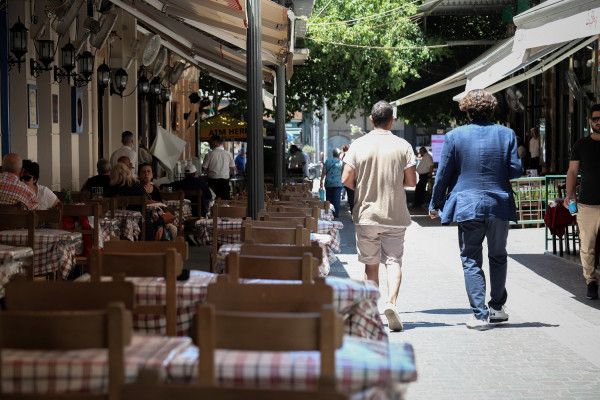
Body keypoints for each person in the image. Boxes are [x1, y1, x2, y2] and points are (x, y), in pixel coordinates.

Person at [429, 89, 522, 331]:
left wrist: (435, 203)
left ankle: (480, 315)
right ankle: (497, 308)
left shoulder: (454, 136)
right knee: (498, 256)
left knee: (471, 258)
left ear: (467, 111)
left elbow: (444, 174)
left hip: (468, 204)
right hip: (499, 204)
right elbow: (515, 171)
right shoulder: (507, 134)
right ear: (492, 109)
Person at [342, 100, 416, 331]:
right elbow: (412, 182)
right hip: (395, 214)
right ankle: (391, 302)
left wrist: (363, 186)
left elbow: (345, 180)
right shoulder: (403, 145)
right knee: (393, 261)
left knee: (370, 265)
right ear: (392, 120)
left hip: (367, 214)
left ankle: (373, 312)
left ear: (371, 119)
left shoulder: (357, 145)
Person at [565, 103, 600, 300]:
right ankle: (591, 281)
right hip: (587, 204)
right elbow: (572, 172)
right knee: (586, 245)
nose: (599, 122)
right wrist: (570, 195)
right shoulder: (581, 145)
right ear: (590, 121)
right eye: (596, 119)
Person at [202, 135, 235, 200]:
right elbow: (232, 167)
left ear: (214, 143)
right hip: (224, 181)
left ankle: (214, 210)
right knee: (225, 200)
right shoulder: (228, 154)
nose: (210, 143)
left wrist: (211, 168)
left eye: (210, 142)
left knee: (213, 199)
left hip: (213, 181)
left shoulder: (209, 154)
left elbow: (204, 169)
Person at [320, 148, 344, 217]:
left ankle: (329, 213)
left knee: (329, 199)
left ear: (333, 154)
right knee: (337, 199)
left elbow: (323, 172)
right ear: (339, 154)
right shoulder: (341, 162)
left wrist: (321, 181)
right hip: (338, 183)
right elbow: (343, 173)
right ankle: (335, 214)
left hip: (329, 183)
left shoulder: (328, 161)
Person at [340, 144, 355, 214]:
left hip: (349, 178)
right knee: (354, 197)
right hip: (355, 178)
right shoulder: (352, 155)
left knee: (351, 197)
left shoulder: (345, 156)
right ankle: (354, 212)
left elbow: (344, 168)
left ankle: (353, 212)